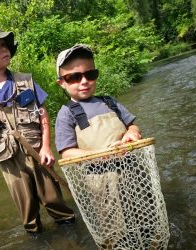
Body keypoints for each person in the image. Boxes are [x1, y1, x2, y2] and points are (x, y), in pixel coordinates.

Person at [0, 27, 75, 235]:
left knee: (56, 203)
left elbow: (43, 114)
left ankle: (70, 230)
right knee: (28, 214)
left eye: (3, 45)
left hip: (36, 151)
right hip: (8, 160)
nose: (3, 50)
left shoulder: (26, 80)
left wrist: (46, 147)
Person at [54, 44, 165, 249]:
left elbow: (132, 125)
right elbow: (67, 152)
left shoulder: (110, 102)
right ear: (61, 82)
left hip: (132, 173)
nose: (84, 81)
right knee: (115, 229)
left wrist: (132, 134)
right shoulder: (67, 113)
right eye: (74, 77)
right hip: (100, 183)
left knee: (145, 216)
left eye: (90, 74)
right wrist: (98, 154)